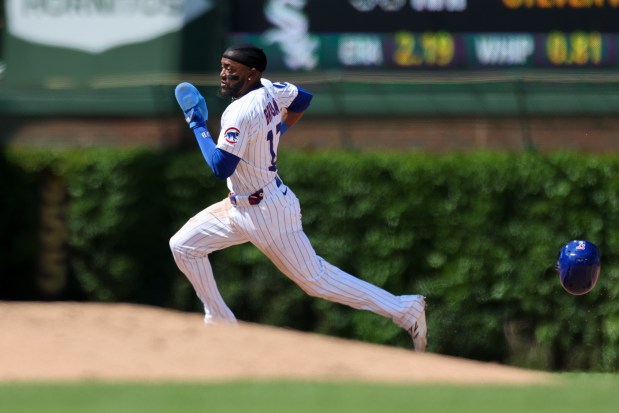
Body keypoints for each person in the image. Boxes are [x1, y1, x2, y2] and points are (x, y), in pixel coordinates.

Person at [169, 44, 427, 351]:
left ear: (252, 74)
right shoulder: (270, 89)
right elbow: (303, 98)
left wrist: (197, 125)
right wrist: (278, 130)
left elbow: (220, 165)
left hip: (268, 212)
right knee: (184, 246)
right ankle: (219, 317)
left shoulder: (238, 111)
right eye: (223, 67)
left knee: (315, 279)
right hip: (238, 205)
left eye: (232, 70)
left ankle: (403, 308)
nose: (224, 75)